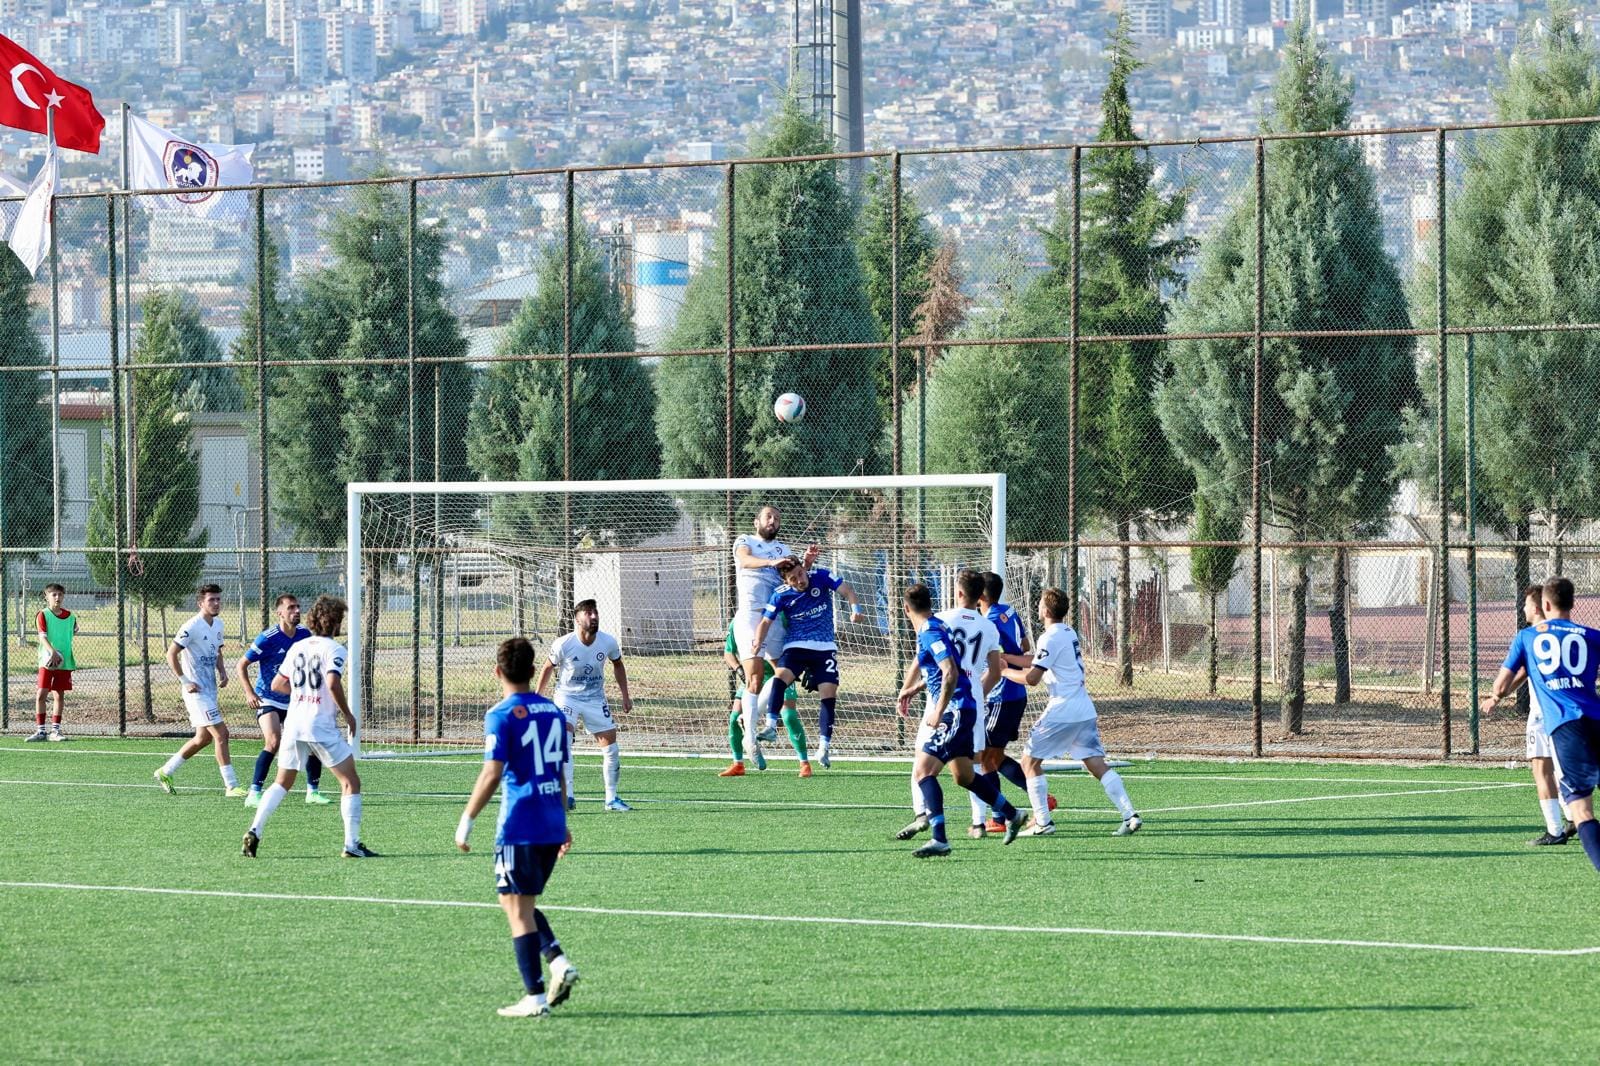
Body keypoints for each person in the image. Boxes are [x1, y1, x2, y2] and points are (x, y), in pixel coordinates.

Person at [456, 636, 579, 1019]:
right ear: (531, 671)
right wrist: (563, 822)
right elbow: (559, 771)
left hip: (519, 824)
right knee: (517, 902)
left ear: (498, 672)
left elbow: (492, 773)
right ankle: (557, 962)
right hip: (550, 821)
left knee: (517, 909)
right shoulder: (554, 713)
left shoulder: (500, 715)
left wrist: (466, 820)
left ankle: (535, 996)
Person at [1001, 587, 1141, 838]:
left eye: (1040, 603)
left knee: (1028, 762)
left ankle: (1043, 822)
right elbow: (1039, 660)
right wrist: (1008, 658)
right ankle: (1130, 815)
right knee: (1095, 764)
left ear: (1045, 610)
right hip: (1084, 708)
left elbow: (1032, 678)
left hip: (1063, 708)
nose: (1038, 606)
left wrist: (1003, 671)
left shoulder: (1049, 637)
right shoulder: (1067, 632)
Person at [242, 595, 374, 859]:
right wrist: (348, 714)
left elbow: (277, 685)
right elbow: (333, 683)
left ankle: (255, 830)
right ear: (335, 621)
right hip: (319, 725)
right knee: (350, 782)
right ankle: (352, 844)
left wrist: (301, 693)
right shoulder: (335, 649)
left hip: (293, 723)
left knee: (282, 782)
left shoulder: (299, 647)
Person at [895, 583, 1022, 857]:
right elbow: (951, 670)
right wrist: (915, 688)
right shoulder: (939, 626)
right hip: (966, 706)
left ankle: (939, 837)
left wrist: (939, 710)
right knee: (963, 775)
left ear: (906, 609)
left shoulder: (932, 629)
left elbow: (950, 671)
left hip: (954, 709)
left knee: (923, 771)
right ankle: (1012, 813)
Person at [1484, 576, 1600, 874]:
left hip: (1566, 726)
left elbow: (1501, 685)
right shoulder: (1593, 635)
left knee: (1582, 810)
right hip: (1596, 719)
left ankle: (1561, 833)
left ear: (1545, 605)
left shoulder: (1527, 637)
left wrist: (1497, 695)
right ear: (1573, 604)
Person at [1479, 585, 1572, 845]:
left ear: (1539, 607)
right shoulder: (1568, 633)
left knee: (1542, 771)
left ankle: (1554, 831)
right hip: (1571, 712)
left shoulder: (1530, 636)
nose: (1523, 609)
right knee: (1564, 770)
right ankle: (1574, 817)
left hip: (1543, 715)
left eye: (1526, 604)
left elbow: (1512, 675)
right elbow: (1527, 672)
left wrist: (1497, 694)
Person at [751, 558, 863, 769]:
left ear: (804, 569)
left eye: (801, 574)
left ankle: (823, 748)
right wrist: (758, 641)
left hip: (824, 647)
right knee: (779, 678)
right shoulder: (781, 594)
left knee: (828, 695)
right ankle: (771, 726)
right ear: (786, 580)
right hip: (796, 646)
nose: (800, 581)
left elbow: (848, 590)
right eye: (793, 579)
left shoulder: (820, 576)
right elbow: (766, 620)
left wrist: (855, 608)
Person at [732, 506, 819, 770]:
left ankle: (751, 718)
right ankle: (750, 737)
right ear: (757, 520)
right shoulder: (745, 541)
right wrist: (770, 563)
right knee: (755, 677)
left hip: (776, 616)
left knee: (785, 673)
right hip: (750, 614)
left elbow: (795, 579)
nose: (773, 521)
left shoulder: (783, 549)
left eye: (778, 518)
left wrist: (806, 563)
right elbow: (745, 560)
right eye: (769, 517)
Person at [537, 599, 634, 812]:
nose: (593, 617)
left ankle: (611, 799)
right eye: (588, 613)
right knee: (564, 739)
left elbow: (618, 664)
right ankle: (568, 796)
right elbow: (547, 668)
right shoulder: (563, 643)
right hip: (566, 697)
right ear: (577, 619)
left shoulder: (607, 642)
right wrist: (536, 696)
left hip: (595, 698)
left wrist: (625, 695)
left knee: (611, 748)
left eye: (595, 612)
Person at [979, 570, 1053, 831]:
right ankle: (1042, 798)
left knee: (985, 758)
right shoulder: (1008, 612)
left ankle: (999, 818)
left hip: (1002, 695)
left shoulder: (989, 622)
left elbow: (999, 657)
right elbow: (1022, 644)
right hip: (1015, 694)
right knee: (995, 757)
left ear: (980, 595)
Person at [236, 594, 328, 807]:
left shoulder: (304, 634)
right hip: (268, 697)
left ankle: (312, 792)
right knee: (273, 741)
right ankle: (254, 792)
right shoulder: (267, 638)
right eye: (290, 608)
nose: (296, 611)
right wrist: (249, 693)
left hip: (294, 699)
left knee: (312, 741)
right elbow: (241, 665)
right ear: (279, 613)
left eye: (297, 607)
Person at [933, 571, 1005, 838]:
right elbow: (996, 672)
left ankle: (926, 818)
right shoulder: (988, 626)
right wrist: (979, 694)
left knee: (926, 763)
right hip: (971, 697)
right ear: (980, 595)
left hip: (941, 694)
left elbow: (927, 660)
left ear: (959, 592)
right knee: (975, 761)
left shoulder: (941, 620)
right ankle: (979, 823)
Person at [154, 584, 244, 797]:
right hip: (196, 692)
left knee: (203, 738)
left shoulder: (219, 624)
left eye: (218, 599)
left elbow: (218, 651)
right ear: (200, 603)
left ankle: (166, 771)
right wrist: (185, 680)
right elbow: (171, 654)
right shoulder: (191, 626)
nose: (216, 603)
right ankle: (231, 785)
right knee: (222, 733)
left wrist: (222, 671)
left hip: (210, 689)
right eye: (211, 600)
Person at [718, 616, 811, 778]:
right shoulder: (741, 620)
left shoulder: (782, 616)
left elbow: (799, 642)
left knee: (788, 715)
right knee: (734, 717)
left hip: (781, 671)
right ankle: (738, 764)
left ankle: (804, 763)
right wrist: (739, 670)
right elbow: (728, 653)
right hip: (753, 675)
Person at [28, 583, 77, 742]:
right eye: (54, 594)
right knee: (41, 694)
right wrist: (53, 652)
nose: (57, 597)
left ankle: (55, 731)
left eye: (60, 595)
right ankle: (40, 731)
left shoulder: (71, 616)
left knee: (59, 695)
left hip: (63, 662)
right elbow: (42, 637)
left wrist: (61, 653)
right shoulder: (42, 615)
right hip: (47, 661)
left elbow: (74, 631)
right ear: (46, 596)